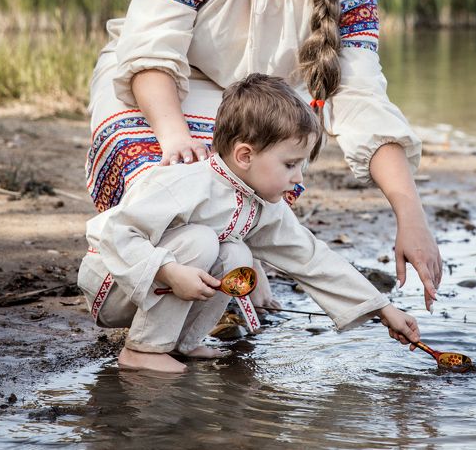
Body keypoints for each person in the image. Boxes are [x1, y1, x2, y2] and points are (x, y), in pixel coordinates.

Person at [86, 0, 442, 310]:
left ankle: (222, 285)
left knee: (262, 169)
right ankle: (133, 294)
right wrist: (172, 135)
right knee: (166, 181)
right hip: (159, 81)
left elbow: (361, 101)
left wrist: (410, 215)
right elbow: (153, 42)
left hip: (256, 102)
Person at [78, 74, 421, 373]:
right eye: (290, 165)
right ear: (245, 156)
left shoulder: (258, 203)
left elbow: (311, 258)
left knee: (236, 255)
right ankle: (142, 350)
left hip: (156, 287)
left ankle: (181, 342)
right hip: (114, 285)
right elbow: (110, 231)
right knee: (202, 242)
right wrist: (166, 271)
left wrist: (382, 308)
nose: (298, 177)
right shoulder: (187, 183)